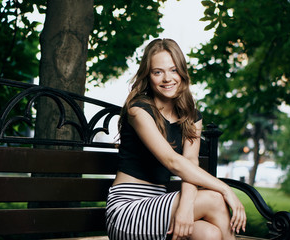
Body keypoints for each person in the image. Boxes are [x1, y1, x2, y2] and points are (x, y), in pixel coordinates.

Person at [105, 38, 246, 240]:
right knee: (215, 199)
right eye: (157, 72)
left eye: (173, 70)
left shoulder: (191, 117)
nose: (167, 78)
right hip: (128, 211)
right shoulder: (138, 110)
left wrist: (186, 207)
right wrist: (225, 189)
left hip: (161, 208)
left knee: (210, 234)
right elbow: (173, 162)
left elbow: (189, 164)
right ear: (148, 75)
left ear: (182, 72)